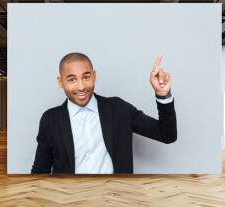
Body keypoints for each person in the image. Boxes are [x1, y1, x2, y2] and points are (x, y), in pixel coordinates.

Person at [31, 52, 177, 174]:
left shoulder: (118, 109)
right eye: (72, 79)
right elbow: (39, 172)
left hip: (115, 201)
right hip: (70, 202)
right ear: (60, 82)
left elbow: (167, 135)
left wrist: (162, 94)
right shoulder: (50, 120)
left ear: (94, 76)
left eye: (86, 77)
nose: (81, 87)